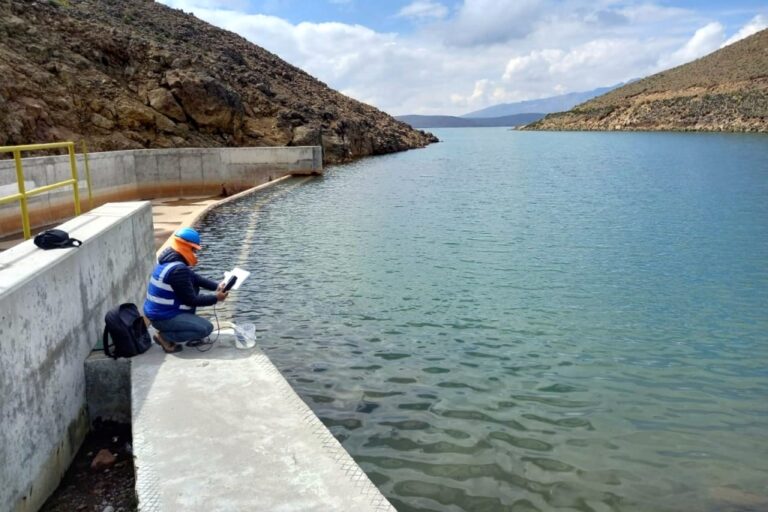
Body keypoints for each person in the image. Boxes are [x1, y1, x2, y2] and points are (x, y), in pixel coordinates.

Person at [143, 227, 228, 353]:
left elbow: (195, 278)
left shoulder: (169, 261)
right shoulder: (178, 270)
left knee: (193, 286)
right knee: (205, 329)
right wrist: (216, 298)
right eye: (193, 249)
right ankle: (165, 337)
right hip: (162, 317)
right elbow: (191, 300)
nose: (195, 253)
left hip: (158, 313)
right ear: (185, 247)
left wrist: (217, 286)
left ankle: (177, 327)